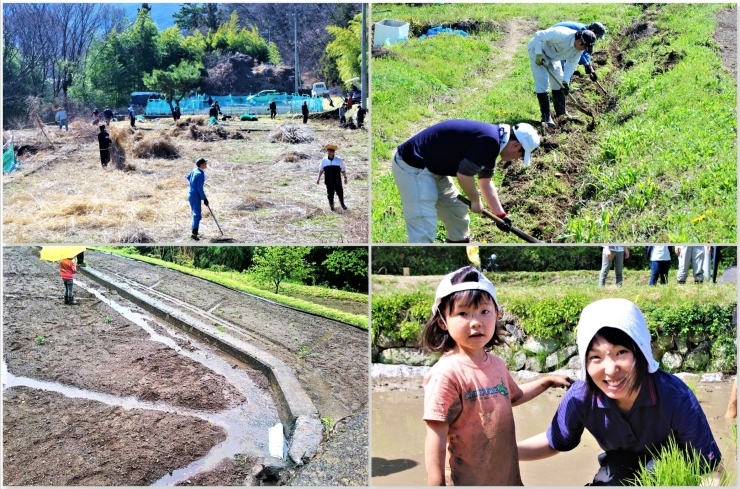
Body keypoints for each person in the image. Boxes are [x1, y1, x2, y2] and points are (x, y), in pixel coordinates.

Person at [517, 298, 722, 486]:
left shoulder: (676, 397)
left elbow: (711, 469)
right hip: (620, 463)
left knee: (655, 472)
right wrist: (503, 451)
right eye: (595, 357)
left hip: (673, 467)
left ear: (641, 352)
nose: (610, 369)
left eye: (621, 352)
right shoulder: (581, 397)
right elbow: (555, 440)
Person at [423, 266, 573, 486]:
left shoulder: (497, 365)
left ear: (497, 314)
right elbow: (435, 438)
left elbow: (513, 397)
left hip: (506, 478)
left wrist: (546, 381)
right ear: (442, 322)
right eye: (463, 313)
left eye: (484, 311)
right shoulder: (446, 374)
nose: (476, 322)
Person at [392, 119, 540, 243]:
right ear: (516, 145)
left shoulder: (495, 143)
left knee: (456, 212)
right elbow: (464, 175)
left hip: (433, 168)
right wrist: (475, 200)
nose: (516, 160)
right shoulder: (490, 141)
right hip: (412, 166)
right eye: (520, 156)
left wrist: (500, 214)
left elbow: (485, 181)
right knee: (423, 224)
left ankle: (459, 253)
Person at [528, 26, 597, 126]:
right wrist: (538, 54)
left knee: (559, 82)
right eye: (584, 47)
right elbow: (539, 34)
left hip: (553, 57)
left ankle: (561, 113)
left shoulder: (579, 50)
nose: (584, 50)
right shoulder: (561, 34)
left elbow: (571, 64)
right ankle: (546, 118)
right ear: (579, 41)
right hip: (538, 51)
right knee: (543, 83)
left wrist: (565, 81)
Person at [316, 144, 347, 211]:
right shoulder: (324, 160)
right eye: (328, 151)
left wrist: (345, 178)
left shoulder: (339, 160)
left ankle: (342, 205)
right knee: (330, 194)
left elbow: (343, 169)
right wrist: (318, 179)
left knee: (340, 192)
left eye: (330, 151)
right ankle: (332, 207)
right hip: (328, 180)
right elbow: (321, 170)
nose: (329, 153)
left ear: (333, 152)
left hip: (337, 180)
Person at [186, 157, 209, 240]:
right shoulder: (200, 174)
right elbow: (200, 188)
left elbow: (188, 177)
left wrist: (193, 185)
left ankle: (194, 230)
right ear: (201, 164)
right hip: (196, 196)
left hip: (190, 194)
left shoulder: (194, 170)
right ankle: (194, 234)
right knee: (197, 215)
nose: (206, 164)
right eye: (205, 163)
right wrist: (204, 199)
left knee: (195, 214)